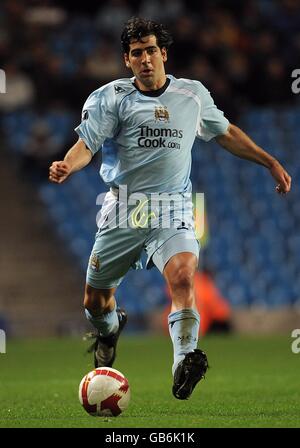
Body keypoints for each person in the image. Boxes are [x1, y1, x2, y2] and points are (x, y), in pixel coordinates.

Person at [49, 17, 291, 400]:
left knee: (182, 276)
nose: (145, 59)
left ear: (163, 53)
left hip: (174, 204)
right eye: (136, 53)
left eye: (150, 51)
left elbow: (225, 132)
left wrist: (269, 161)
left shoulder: (191, 95)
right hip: (124, 207)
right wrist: (67, 164)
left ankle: (183, 361)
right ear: (127, 61)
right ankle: (109, 330)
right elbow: (86, 146)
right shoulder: (109, 97)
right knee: (95, 301)